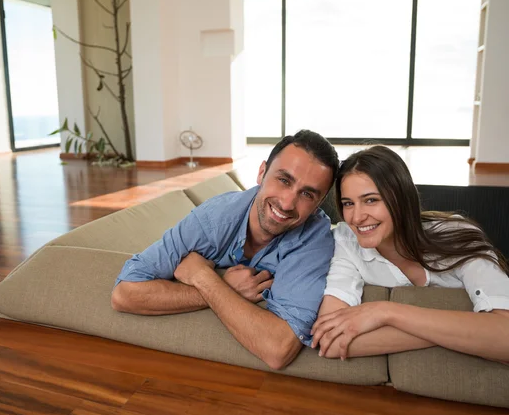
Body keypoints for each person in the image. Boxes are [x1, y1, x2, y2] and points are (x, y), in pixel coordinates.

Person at [112, 130, 339, 369]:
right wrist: (227, 289)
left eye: (307, 194)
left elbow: (277, 350)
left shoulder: (314, 239)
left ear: (318, 204)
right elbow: (124, 293)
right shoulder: (214, 219)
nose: (287, 203)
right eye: (284, 180)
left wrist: (204, 278)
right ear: (262, 172)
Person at [310, 145, 509, 363]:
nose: (357, 218)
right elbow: (330, 341)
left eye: (371, 200)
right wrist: (456, 333)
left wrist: (386, 313)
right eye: (348, 203)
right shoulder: (347, 241)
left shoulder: (459, 235)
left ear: (401, 198)